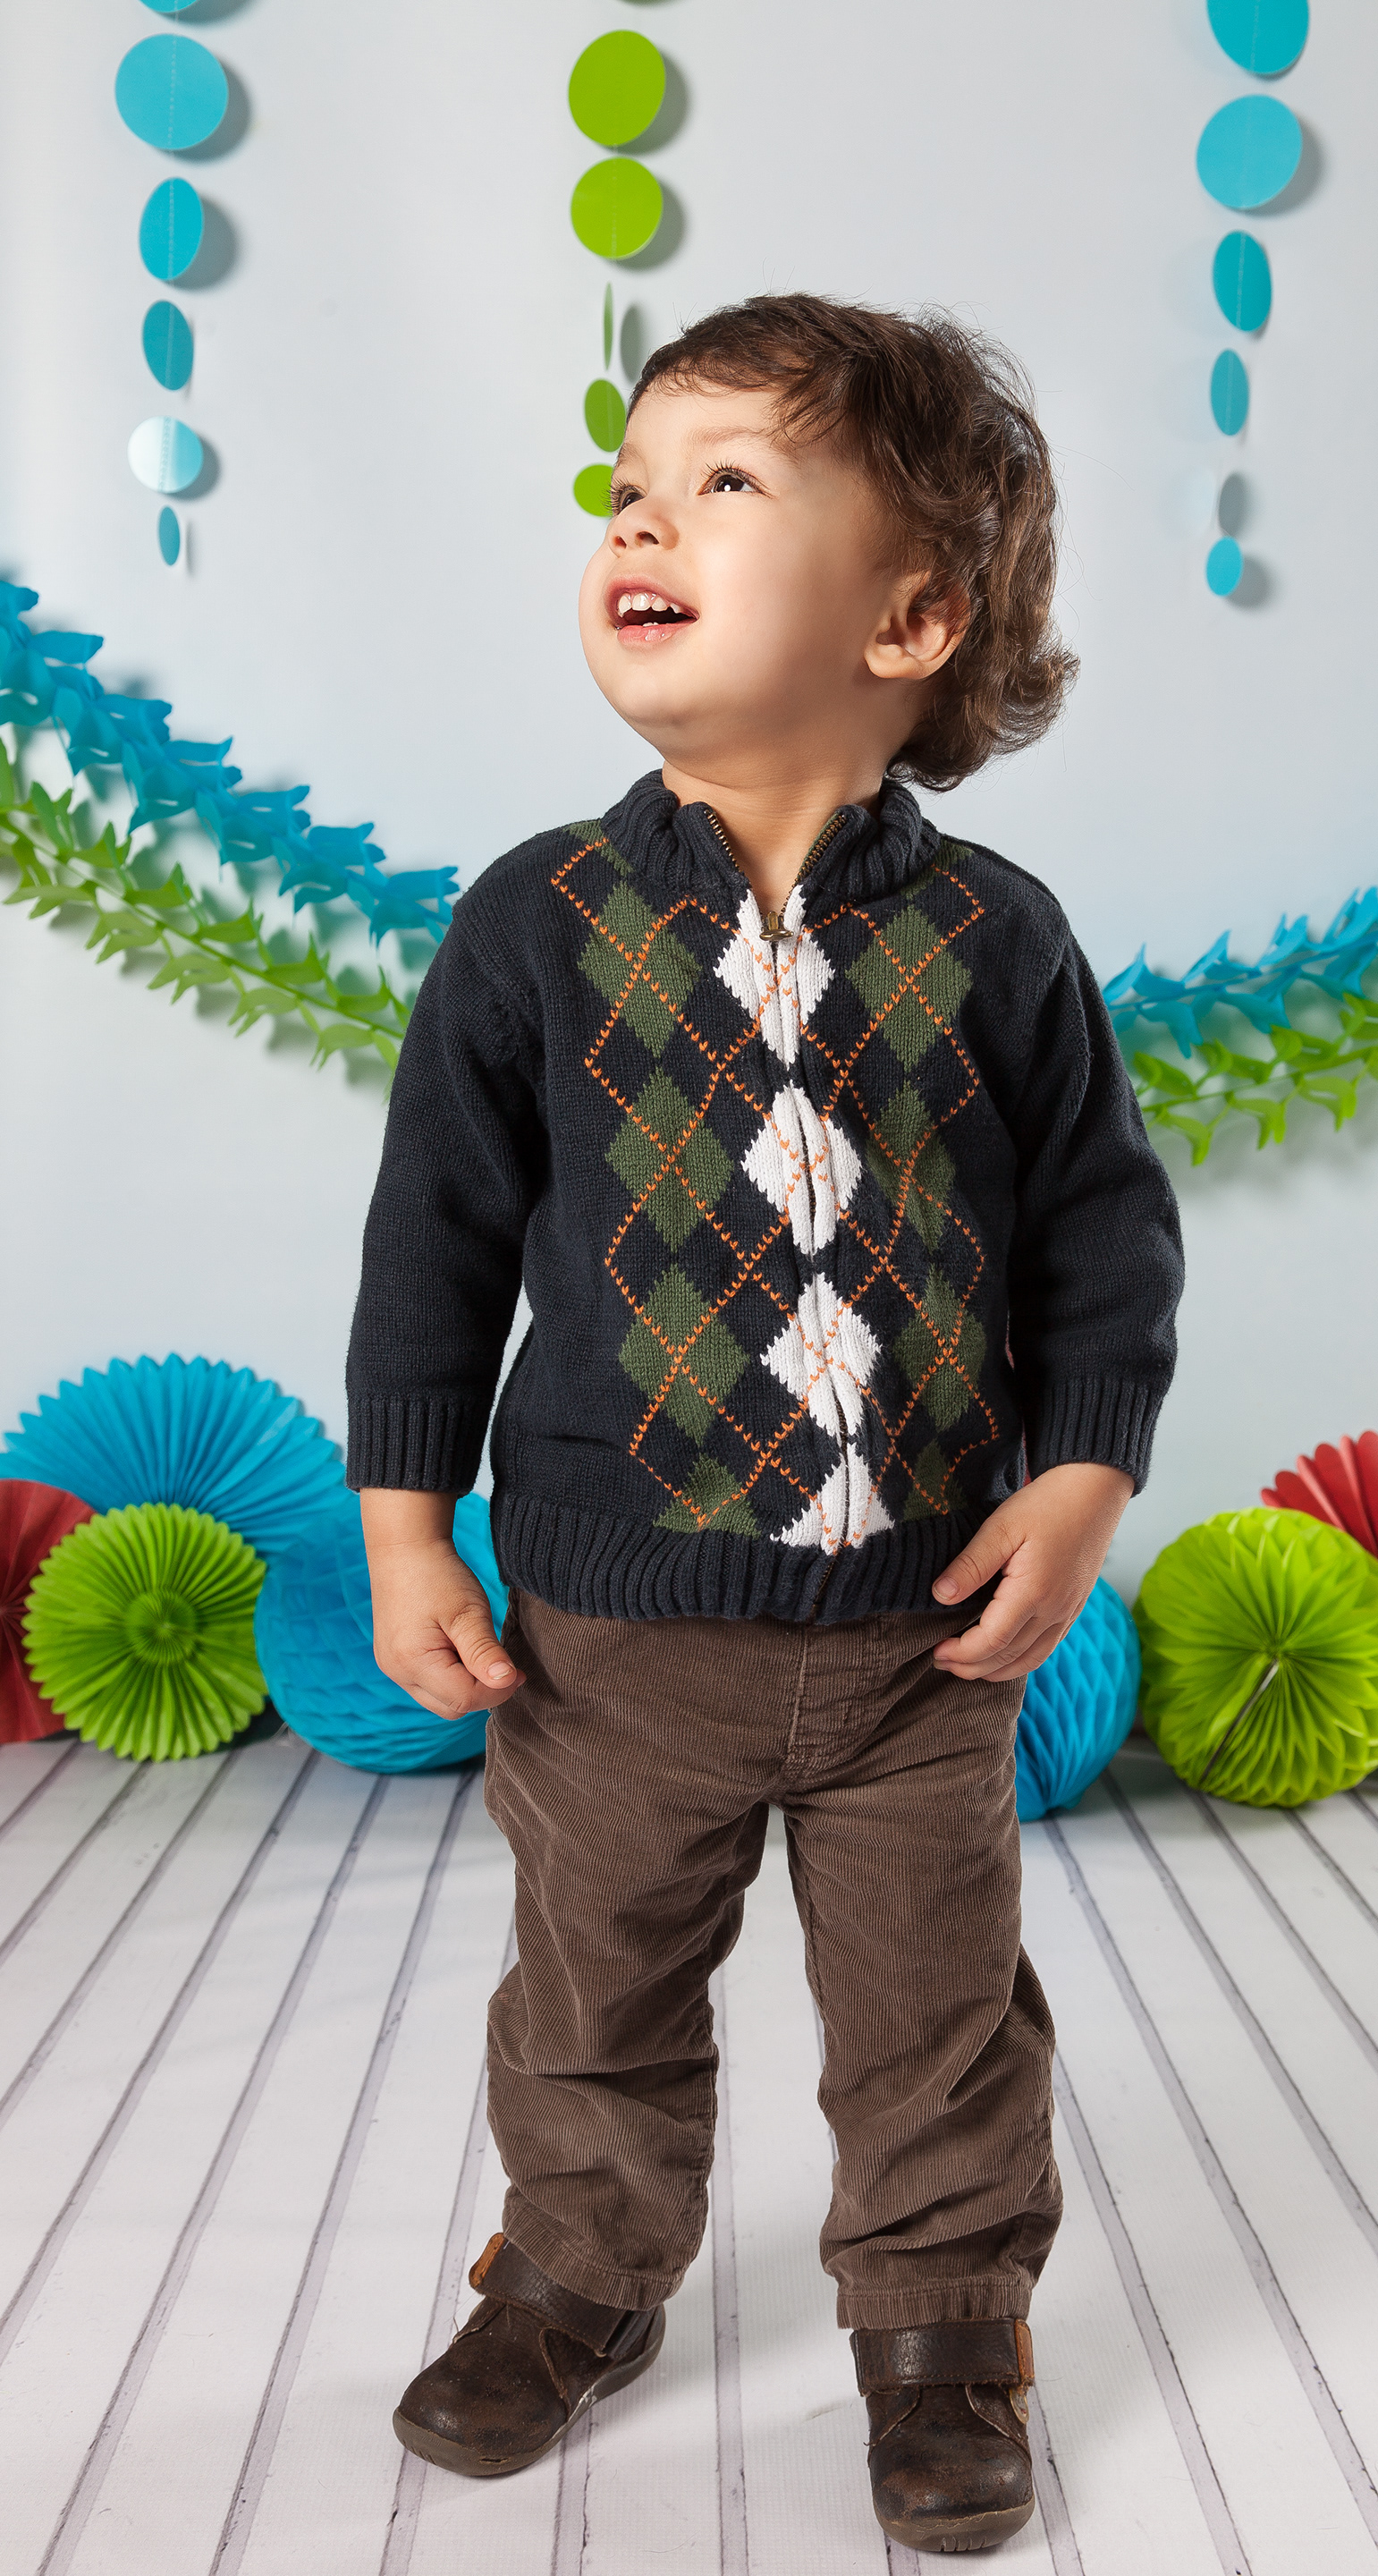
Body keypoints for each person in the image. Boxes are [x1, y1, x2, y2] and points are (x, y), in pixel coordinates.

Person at [347, 292, 1183, 2555]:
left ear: (909, 620)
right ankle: (577, 2272)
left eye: (725, 485)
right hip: (617, 1637)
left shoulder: (998, 939)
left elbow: (1104, 1234)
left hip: (924, 1643)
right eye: (631, 486)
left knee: (934, 2011)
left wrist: (1082, 1472)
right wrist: (407, 1525)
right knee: (592, 1981)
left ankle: (943, 2327)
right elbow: (433, 1242)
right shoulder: (536, 923)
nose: (643, 521)